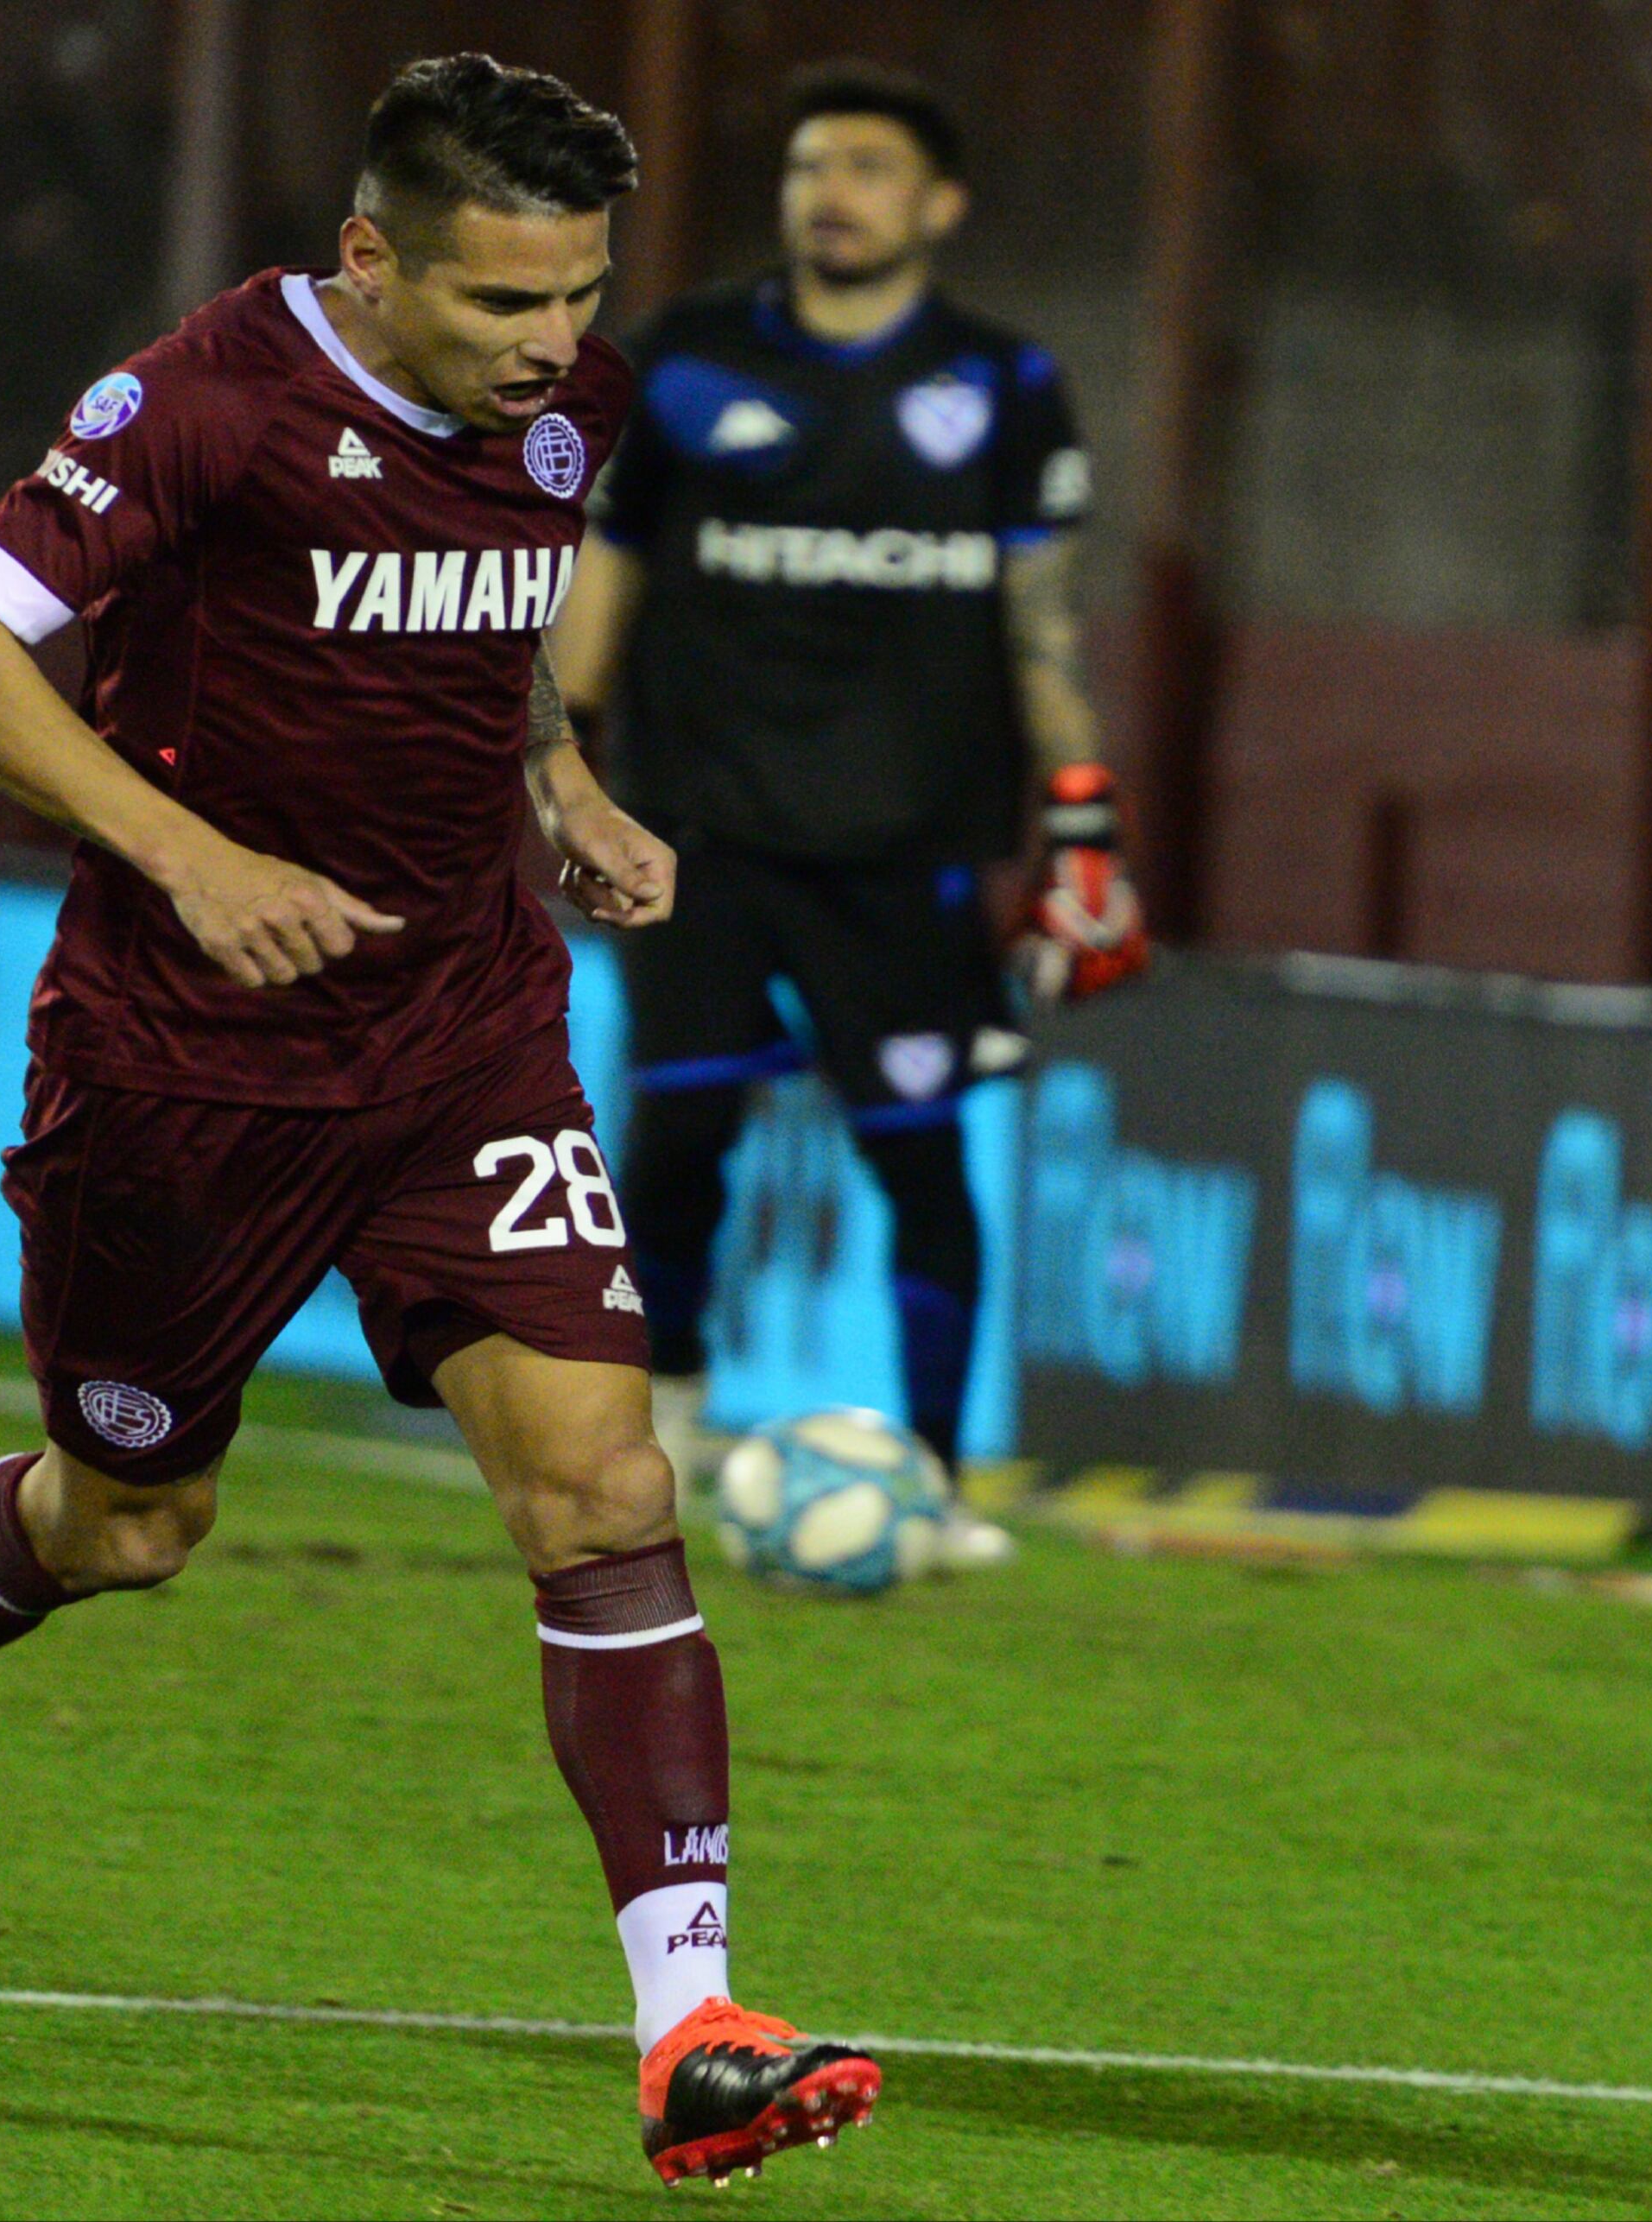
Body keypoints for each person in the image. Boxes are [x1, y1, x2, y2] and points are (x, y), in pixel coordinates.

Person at [0, 54, 877, 2187]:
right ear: (368, 261)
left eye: (580, 298)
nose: (552, 348)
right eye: (505, 304)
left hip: (462, 1044)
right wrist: (187, 859)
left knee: (605, 1486)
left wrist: (563, 784)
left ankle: (689, 2021)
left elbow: (500, 629)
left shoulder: (570, 411)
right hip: (180, 1065)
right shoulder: (202, 406)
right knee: (129, 1525)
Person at [546, 61, 1142, 1519]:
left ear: (938, 204)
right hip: (700, 836)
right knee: (680, 1137)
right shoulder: (680, 358)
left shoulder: (1004, 385)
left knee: (921, 1162)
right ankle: (663, 1423)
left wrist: (1083, 820)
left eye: (871, 168)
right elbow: (598, 590)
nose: (833, 192)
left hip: (909, 847)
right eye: (812, 165)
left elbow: (1041, 623)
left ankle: (930, 1481)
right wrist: (557, 774)